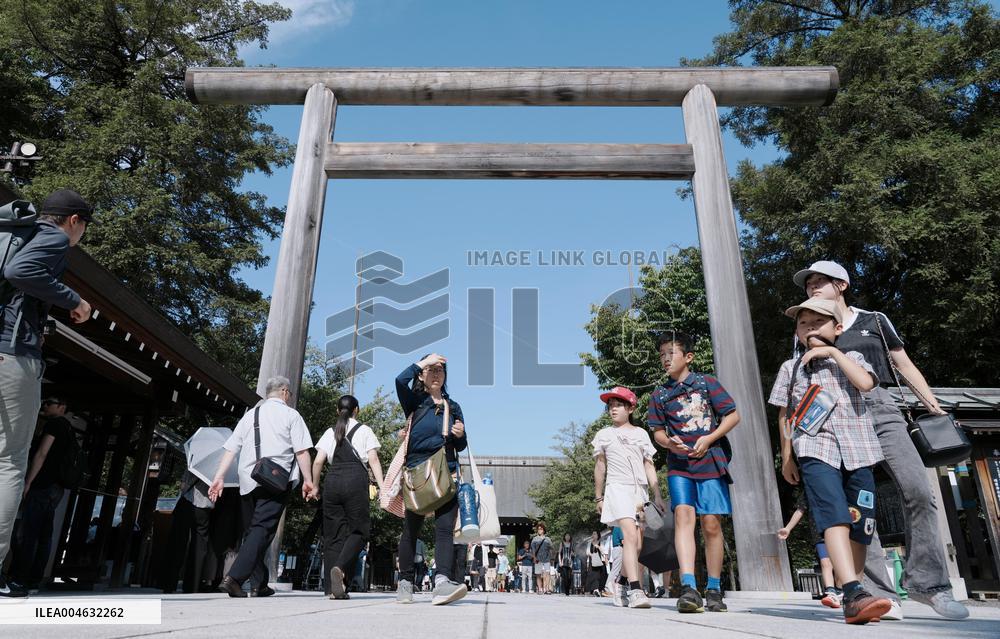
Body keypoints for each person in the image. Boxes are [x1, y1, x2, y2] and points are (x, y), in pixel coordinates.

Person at [791, 260, 969, 620]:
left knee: (918, 489)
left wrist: (930, 403)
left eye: (820, 281)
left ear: (841, 284)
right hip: (833, 416)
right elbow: (800, 385)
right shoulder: (808, 326)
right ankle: (878, 592)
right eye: (808, 283)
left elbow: (903, 364)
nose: (812, 287)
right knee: (859, 504)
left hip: (881, 407)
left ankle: (930, 585)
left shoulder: (874, 320)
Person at [769, 298, 892, 624]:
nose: (809, 328)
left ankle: (857, 590)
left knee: (861, 525)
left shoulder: (852, 357)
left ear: (838, 329)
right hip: (815, 448)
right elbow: (785, 414)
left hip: (859, 450)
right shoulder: (789, 368)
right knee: (832, 512)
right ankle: (852, 591)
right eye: (803, 323)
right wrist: (786, 455)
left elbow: (866, 383)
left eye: (818, 322)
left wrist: (833, 353)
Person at [0, 189, 92, 598]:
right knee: (7, 464)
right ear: (74, 220)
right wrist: (75, 300)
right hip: (12, 356)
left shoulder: (11, 234)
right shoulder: (53, 238)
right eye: (84, 226)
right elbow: (21, 274)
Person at [648, 332, 739, 614]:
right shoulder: (659, 394)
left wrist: (710, 438)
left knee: (711, 524)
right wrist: (669, 444)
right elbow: (658, 433)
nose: (665, 358)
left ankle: (713, 588)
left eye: (671, 353)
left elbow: (733, 415)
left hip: (711, 461)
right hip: (680, 467)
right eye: (662, 354)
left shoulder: (706, 383)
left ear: (688, 357)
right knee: (684, 518)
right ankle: (689, 587)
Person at [208, 376, 314, 598]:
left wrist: (218, 477)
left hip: (248, 480)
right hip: (276, 480)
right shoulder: (291, 415)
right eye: (290, 393)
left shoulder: (250, 415)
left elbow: (231, 448)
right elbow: (302, 451)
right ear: (285, 391)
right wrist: (308, 480)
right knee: (262, 531)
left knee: (254, 533)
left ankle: (259, 583)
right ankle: (234, 579)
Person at [394, 353, 468, 606]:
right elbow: (399, 381)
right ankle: (405, 582)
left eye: (440, 370)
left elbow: (462, 444)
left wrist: (459, 434)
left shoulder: (453, 406)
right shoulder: (415, 401)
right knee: (411, 529)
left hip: (445, 470)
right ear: (422, 375)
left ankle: (442, 581)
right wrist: (421, 362)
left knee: (445, 529)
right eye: (430, 369)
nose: (436, 374)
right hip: (418, 471)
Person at [593, 386, 667, 609]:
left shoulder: (641, 434)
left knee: (637, 545)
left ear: (631, 408)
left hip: (640, 492)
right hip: (617, 489)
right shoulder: (603, 434)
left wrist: (658, 494)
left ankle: (622, 581)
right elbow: (599, 467)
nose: (613, 409)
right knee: (629, 538)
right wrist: (598, 497)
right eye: (610, 406)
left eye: (618, 405)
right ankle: (636, 589)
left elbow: (649, 465)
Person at [310, 394, 384, 600]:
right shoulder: (365, 430)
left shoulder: (330, 431)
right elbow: (373, 459)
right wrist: (382, 486)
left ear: (337, 411)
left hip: (332, 480)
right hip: (355, 479)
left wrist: (315, 486)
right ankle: (340, 569)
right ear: (357, 410)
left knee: (333, 535)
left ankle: (332, 589)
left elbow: (318, 462)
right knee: (360, 531)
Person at [10, 397, 75, 590]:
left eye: (50, 402)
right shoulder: (70, 429)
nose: (45, 405)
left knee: (27, 534)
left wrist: (28, 481)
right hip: (57, 488)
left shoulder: (54, 424)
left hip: (42, 484)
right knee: (44, 535)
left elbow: (42, 453)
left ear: (62, 406)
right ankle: (35, 578)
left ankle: (20, 577)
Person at [778, 491, 841, 608]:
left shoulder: (836, 483)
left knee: (839, 563)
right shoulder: (809, 490)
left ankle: (840, 589)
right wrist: (788, 528)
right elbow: (800, 510)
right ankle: (831, 592)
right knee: (825, 563)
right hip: (819, 533)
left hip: (838, 530)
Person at [160, 469, 215, 593]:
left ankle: (168, 583)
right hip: (206, 505)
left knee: (177, 543)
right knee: (200, 548)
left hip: (188, 501)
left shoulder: (198, 458)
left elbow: (184, 483)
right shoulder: (220, 464)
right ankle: (193, 585)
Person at [530, 523, 553, 594]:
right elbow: (533, 550)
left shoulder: (547, 539)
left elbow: (551, 548)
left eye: (541, 529)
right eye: (538, 529)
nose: (539, 530)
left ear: (543, 530)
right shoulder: (535, 539)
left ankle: (546, 588)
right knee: (538, 574)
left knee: (547, 573)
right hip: (538, 558)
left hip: (546, 558)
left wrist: (551, 557)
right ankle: (540, 589)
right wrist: (534, 558)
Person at [586, 530, 605, 596]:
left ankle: (596, 589)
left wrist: (598, 547)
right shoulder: (589, 543)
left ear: (598, 535)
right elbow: (587, 552)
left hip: (599, 561)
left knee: (598, 576)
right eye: (593, 534)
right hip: (592, 561)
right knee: (591, 575)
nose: (593, 535)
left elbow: (603, 552)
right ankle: (593, 590)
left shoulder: (600, 542)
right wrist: (592, 555)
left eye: (595, 534)